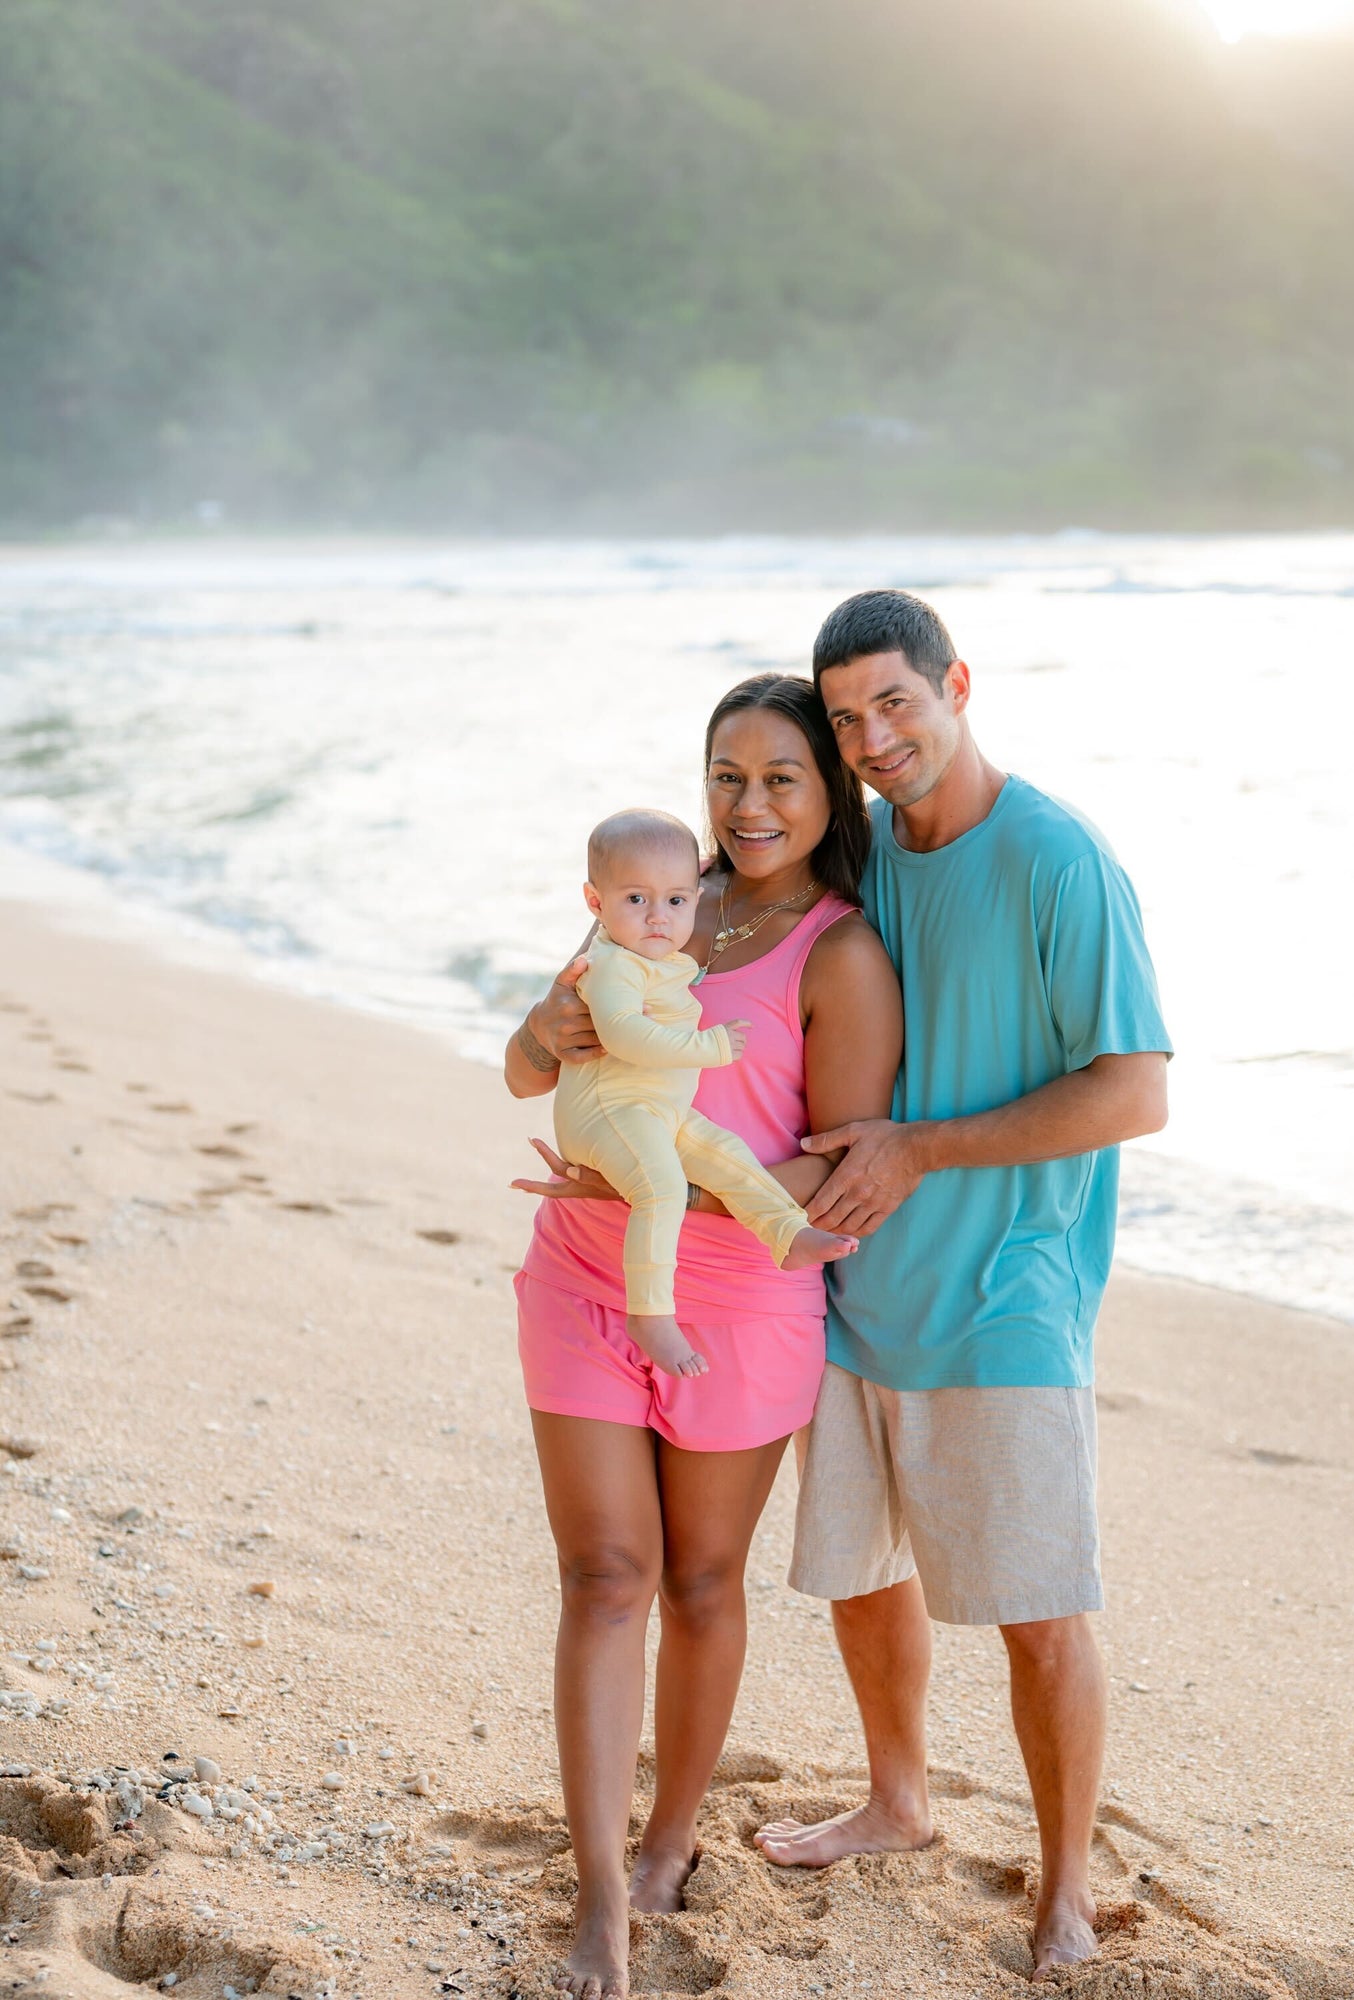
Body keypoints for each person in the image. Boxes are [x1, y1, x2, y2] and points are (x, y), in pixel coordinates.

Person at [750, 590, 1171, 1980]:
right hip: (857, 1281)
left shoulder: (1056, 859)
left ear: (958, 685)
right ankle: (898, 1800)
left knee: (1043, 1615)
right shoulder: (860, 858)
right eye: (850, 715)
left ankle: (1060, 1891)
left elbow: (1133, 1092)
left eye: (897, 703)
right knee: (863, 1578)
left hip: (1008, 1293)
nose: (872, 737)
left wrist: (922, 1148)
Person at [505, 673, 902, 2000]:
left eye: (782, 776)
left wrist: (650, 1183)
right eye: (727, 775)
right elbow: (527, 1061)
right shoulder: (652, 905)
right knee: (605, 1578)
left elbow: (838, 1166)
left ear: (827, 792)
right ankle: (602, 1895)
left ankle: (671, 1836)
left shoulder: (841, 951)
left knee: (701, 1586)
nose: (748, 803)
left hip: (739, 1308)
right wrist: (541, 1028)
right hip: (579, 1281)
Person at [549, 806, 856, 1378]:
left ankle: (784, 1232)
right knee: (661, 1188)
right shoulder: (613, 965)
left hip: (656, 1110)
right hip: (608, 1112)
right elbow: (621, 1034)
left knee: (727, 1154)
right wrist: (708, 1049)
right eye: (636, 900)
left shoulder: (659, 962)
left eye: (676, 901)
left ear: (696, 897)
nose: (658, 917)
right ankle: (650, 1312)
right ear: (596, 904)